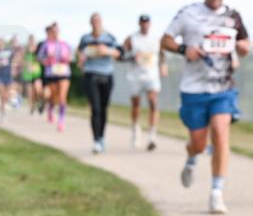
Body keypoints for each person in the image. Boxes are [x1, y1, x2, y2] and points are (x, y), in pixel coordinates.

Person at [161, 0, 250, 214]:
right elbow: (165, 40)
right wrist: (183, 49)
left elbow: (245, 44)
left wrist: (242, 48)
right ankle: (191, 158)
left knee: (221, 134)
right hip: (194, 89)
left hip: (223, 88)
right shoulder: (189, 14)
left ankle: (216, 193)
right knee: (199, 143)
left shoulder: (233, 16)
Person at [77, 13, 121, 154]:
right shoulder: (85, 39)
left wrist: (106, 50)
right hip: (91, 74)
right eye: (94, 21)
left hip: (106, 75)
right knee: (95, 108)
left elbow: (119, 53)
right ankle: (96, 140)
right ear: (91, 23)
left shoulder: (109, 37)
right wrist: (81, 59)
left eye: (98, 21)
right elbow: (79, 52)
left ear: (101, 22)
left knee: (103, 108)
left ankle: (102, 137)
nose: (96, 23)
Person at [124, 14, 167, 151]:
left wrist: (163, 65)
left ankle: (152, 136)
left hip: (151, 75)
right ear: (139, 24)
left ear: (150, 24)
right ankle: (136, 131)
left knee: (153, 102)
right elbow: (121, 54)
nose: (145, 25)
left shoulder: (156, 38)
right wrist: (131, 56)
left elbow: (162, 53)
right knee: (136, 105)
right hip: (136, 75)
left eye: (147, 22)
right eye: (142, 22)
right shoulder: (132, 38)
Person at [37, 23, 72, 132]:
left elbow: (71, 57)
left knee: (62, 97)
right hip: (51, 73)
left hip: (64, 73)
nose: (55, 33)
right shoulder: (46, 44)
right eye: (53, 31)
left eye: (57, 31)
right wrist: (47, 59)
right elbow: (39, 57)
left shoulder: (64, 44)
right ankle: (50, 109)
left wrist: (68, 58)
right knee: (53, 97)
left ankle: (61, 121)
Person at [0, 36, 15, 119]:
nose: (0, 44)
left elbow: (16, 54)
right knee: (2, 93)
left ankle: (2, 110)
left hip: (8, 75)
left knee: (5, 95)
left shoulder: (9, 51)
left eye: (1, 42)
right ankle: (2, 111)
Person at [21, 35, 43, 114]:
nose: (32, 42)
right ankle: (32, 107)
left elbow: (42, 59)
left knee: (38, 90)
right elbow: (22, 61)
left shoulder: (38, 51)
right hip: (28, 75)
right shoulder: (25, 51)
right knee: (30, 93)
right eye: (30, 40)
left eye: (33, 41)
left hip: (37, 74)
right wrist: (27, 65)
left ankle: (40, 102)